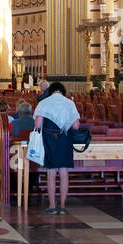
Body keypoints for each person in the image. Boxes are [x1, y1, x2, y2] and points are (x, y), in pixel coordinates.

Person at [33, 81, 80, 215]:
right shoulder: (69, 103)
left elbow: (38, 124)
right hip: (65, 139)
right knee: (64, 172)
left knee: (51, 172)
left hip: (50, 139)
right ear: (62, 91)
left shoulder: (44, 103)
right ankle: (63, 206)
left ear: (51, 91)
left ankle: (52, 205)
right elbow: (76, 125)